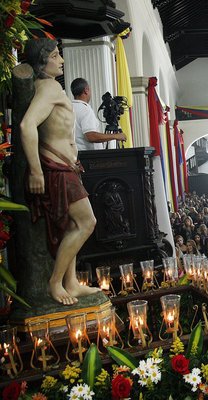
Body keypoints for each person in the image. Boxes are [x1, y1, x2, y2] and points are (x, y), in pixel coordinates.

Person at [20, 39, 100, 305]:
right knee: (87, 222)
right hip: (56, 167)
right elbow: (27, 125)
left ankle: (71, 282)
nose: (61, 60)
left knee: (71, 225)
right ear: (43, 61)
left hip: (66, 166)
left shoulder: (50, 87)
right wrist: (35, 170)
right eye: (55, 55)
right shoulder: (50, 87)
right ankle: (56, 282)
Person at [70, 77, 126, 151]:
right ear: (86, 90)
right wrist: (116, 136)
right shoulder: (85, 109)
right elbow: (90, 136)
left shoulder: (69, 107)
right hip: (89, 158)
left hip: (75, 155)